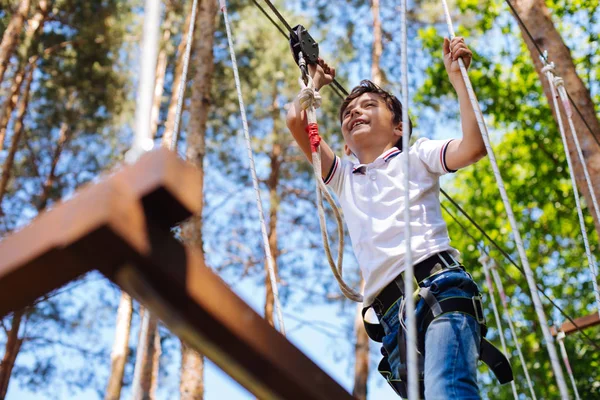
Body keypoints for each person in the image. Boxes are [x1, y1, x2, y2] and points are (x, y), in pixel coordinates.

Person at [286, 37, 512, 399]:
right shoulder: (343, 177)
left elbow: (473, 147)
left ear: (398, 129)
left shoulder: (417, 156)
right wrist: (313, 82)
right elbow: (297, 119)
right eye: (347, 113)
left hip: (439, 287)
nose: (355, 113)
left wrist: (458, 79)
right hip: (391, 320)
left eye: (369, 105)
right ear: (345, 144)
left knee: (447, 387)